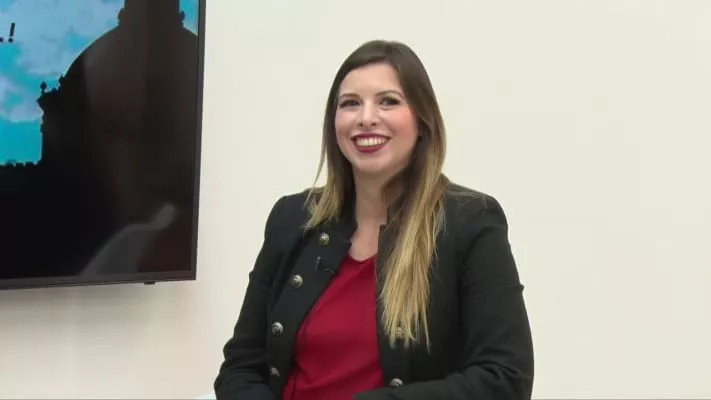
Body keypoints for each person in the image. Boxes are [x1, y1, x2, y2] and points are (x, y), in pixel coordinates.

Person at [214, 39, 534, 400]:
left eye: (388, 101)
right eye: (350, 103)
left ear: (422, 121)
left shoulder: (470, 222)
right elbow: (241, 366)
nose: (366, 118)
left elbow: (505, 379)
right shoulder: (292, 218)